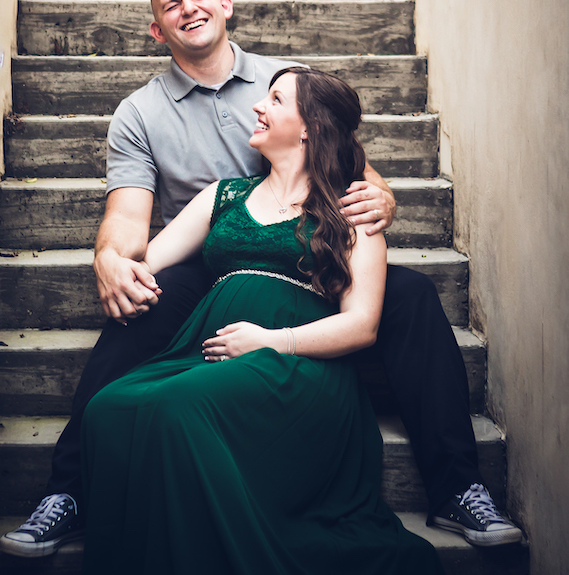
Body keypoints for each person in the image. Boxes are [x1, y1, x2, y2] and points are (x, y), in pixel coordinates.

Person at [0, 0, 521, 558]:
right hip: (210, 258)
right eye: (172, 4)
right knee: (139, 303)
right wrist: (111, 259)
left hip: (308, 249)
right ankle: (69, 491)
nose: (189, 8)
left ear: (225, 5)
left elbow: (347, 166)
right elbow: (126, 216)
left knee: (413, 296)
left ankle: (457, 486)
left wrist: (383, 197)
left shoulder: (282, 81)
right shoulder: (141, 112)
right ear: (156, 30)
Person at [81, 66, 444, 574]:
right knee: (108, 409)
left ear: (309, 127)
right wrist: (114, 262)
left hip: (296, 368)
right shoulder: (225, 195)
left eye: (275, 100)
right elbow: (148, 262)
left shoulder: (350, 212)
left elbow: (362, 324)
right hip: (207, 355)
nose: (257, 106)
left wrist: (272, 341)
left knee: (175, 410)